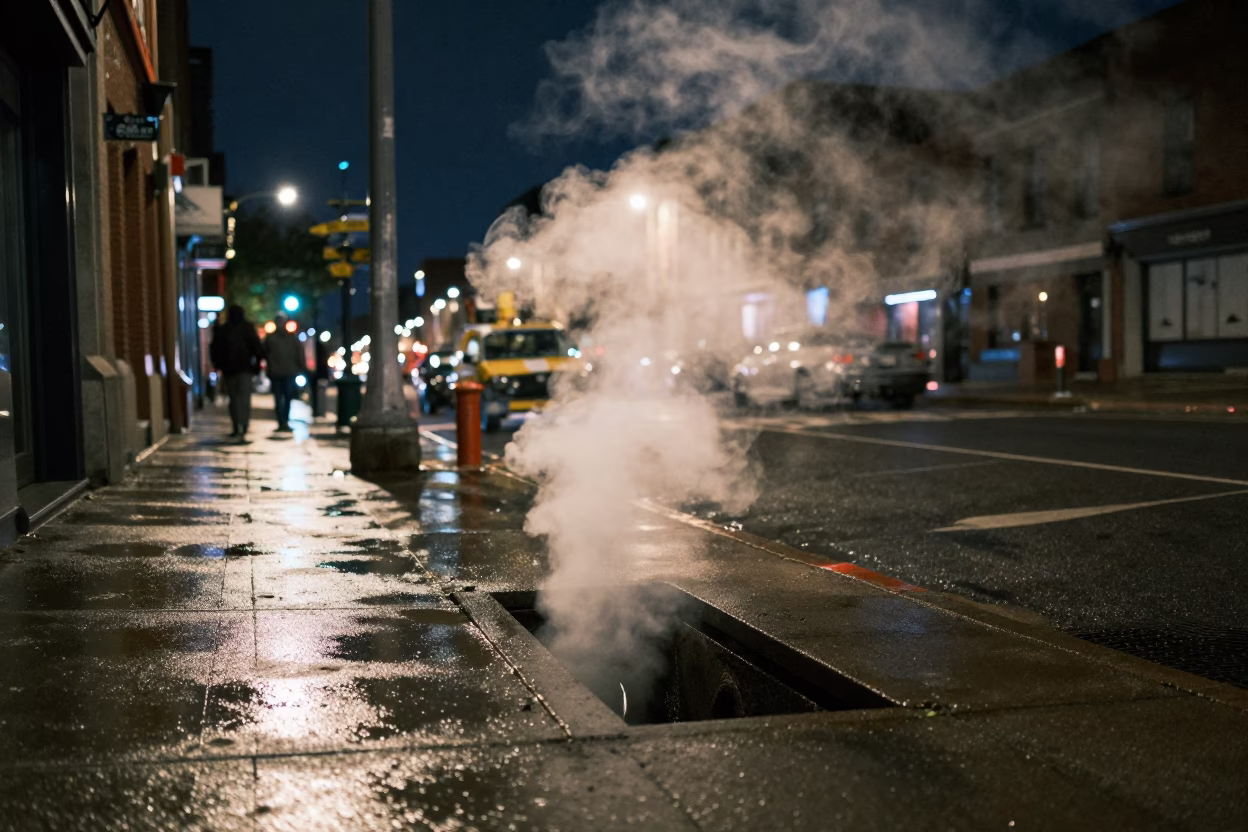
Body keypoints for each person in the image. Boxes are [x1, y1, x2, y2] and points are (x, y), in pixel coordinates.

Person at [209, 305, 263, 441]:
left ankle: (236, 426)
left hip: (229, 370)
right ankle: (243, 426)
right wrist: (257, 365)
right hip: (244, 369)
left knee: (233, 399)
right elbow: (257, 347)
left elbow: (215, 349)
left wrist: (217, 365)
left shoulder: (224, 329)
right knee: (244, 399)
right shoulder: (247, 328)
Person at [264, 315, 306, 432]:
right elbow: (300, 354)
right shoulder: (290, 338)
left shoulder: (273, 338)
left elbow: (263, 353)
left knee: (282, 398)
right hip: (285, 372)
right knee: (284, 398)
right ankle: (283, 422)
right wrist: (301, 367)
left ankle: (283, 422)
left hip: (281, 372)